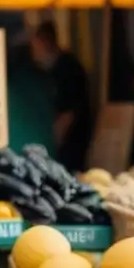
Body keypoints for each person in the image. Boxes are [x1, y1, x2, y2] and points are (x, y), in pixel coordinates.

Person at [30, 22, 93, 171]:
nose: (33, 53)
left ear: (44, 43)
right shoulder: (54, 69)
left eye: (34, 47)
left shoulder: (67, 69)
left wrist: (52, 145)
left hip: (72, 143)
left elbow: (68, 113)